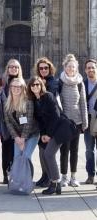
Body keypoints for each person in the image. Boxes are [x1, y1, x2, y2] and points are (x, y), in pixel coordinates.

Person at [27, 76, 77, 195]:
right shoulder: (34, 100)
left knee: (49, 154)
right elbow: (40, 121)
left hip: (59, 129)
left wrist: (49, 135)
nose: (35, 87)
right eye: (33, 85)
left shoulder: (48, 96)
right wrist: (43, 134)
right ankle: (53, 182)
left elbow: (56, 116)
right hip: (47, 132)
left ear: (41, 86)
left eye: (37, 84)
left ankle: (55, 183)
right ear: (30, 87)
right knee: (44, 154)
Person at [59, 54, 88, 187]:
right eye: (69, 66)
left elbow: (83, 103)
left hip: (76, 122)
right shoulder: (60, 82)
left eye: (73, 67)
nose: (71, 68)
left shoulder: (80, 83)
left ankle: (73, 176)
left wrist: (85, 121)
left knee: (75, 151)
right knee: (64, 150)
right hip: (64, 123)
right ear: (64, 67)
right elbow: (57, 103)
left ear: (76, 68)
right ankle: (64, 176)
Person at [34, 57, 59, 187]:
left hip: (51, 123)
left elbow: (50, 98)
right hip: (41, 123)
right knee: (41, 150)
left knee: (47, 152)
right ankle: (44, 176)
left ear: (50, 69)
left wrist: (42, 86)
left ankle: (51, 178)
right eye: (41, 68)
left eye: (46, 68)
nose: (43, 70)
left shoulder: (53, 82)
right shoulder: (36, 82)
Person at [4, 78, 39, 162]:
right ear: (10, 87)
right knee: (17, 158)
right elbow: (8, 122)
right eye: (14, 86)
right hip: (17, 136)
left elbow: (29, 122)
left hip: (32, 134)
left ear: (23, 88)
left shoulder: (28, 102)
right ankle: (17, 175)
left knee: (26, 157)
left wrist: (23, 139)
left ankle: (27, 175)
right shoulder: (6, 102)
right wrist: (16, 138)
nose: (16, 88)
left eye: (19, 86)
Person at [1, 59, 23, 184]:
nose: (14, 69)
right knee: (6, 148)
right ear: (7, 68)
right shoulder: (3, 83)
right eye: (11, 67)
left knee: (17, 150)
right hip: (5, 122)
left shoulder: (22, 83)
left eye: (16, 67)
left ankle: (15, 173)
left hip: (18, 123)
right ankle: (5, 173)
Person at [83, 59, 97, 184]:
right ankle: (90, 175)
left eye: (93, 67)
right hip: (88, 120)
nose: (91, 69)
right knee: (89, 150)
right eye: (88, 67)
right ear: (85, 70)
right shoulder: (83, 83)